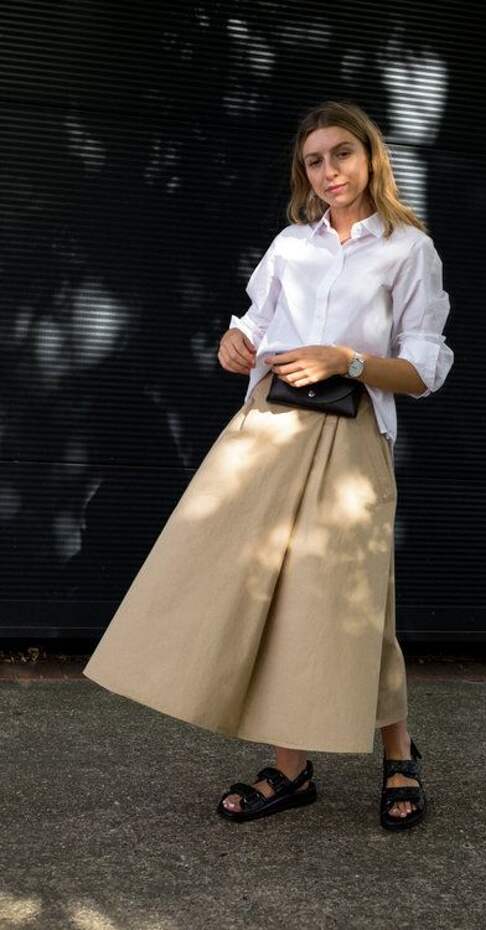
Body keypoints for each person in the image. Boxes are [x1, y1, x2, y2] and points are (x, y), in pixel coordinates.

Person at [82, 99, 454, 831]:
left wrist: (345, 359)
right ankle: (292, 768)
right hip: (267, 427)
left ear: (371, 156)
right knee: (267, 592)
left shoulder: (409, 250)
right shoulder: (290, 244)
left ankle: (396, 754)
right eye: (314, 161)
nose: (329, 171)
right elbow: (253, 325)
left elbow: (423, 369)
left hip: (349, 433)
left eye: (342, 154)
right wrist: (234, 344)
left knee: (351, 598)